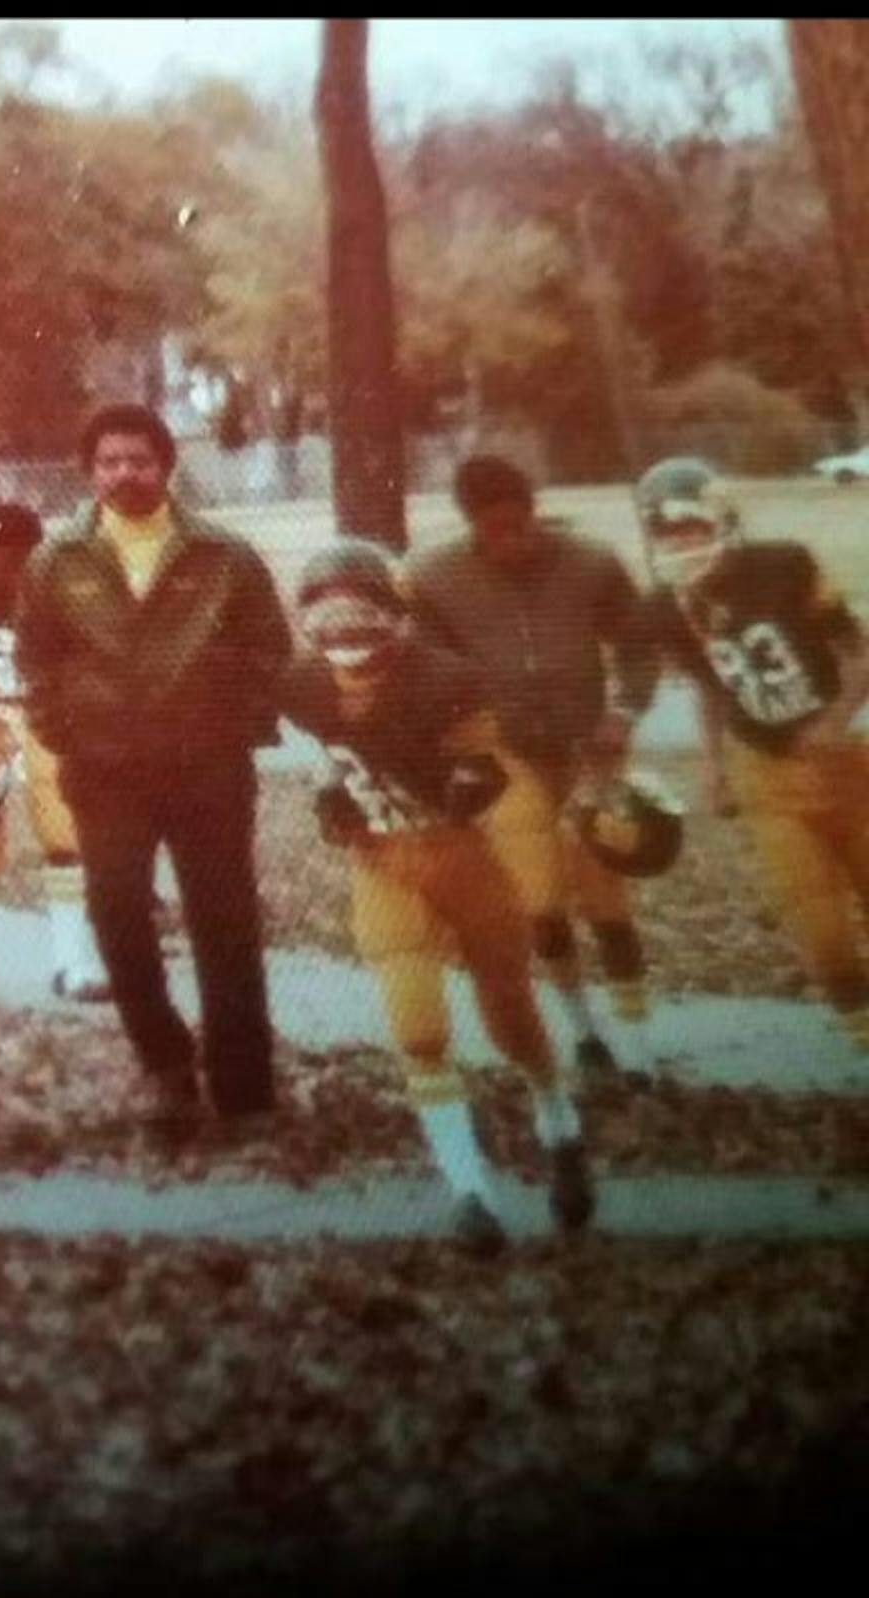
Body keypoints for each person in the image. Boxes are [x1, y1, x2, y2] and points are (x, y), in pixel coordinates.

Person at [283, 542, 595, 1254]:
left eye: (359, 614)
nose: (343, 634)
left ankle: (558, 1118)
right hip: (384, 862)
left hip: (462, 855)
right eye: (326, 618)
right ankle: (471, 1193)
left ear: (396, 615)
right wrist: (333, 793)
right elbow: (326, 752)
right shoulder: (301, 683)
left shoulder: (445, 679)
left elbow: (482, 770)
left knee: (510, 1012)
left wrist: (460, 783)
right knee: (418, 1028)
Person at [14, 403, 291, 1134]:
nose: (124, 474)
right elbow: (35, 660)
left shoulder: (223, 555)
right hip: (106, 774)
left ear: (165, 465)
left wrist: (235, 726)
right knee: (116, 913)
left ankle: (244, 1087)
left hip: (208, 773)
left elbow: (270, 651)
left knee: (224, 923)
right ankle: (166, 1065)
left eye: (138, 459)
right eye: (108, 461)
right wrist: (63, 731)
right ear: (89, 471)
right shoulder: (56, 559)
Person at [405, 456, 662, 1078]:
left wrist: (624, 712)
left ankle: (638, 1042)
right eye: (494, 531)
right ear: (470, 524)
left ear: (535, 510)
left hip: (586, 749)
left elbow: (636, 644)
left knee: (606, 898)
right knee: (540, 898)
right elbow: (427, 670)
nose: (511, 541)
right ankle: (584, 1030)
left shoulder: (591, 561)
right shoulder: (434, 576)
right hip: (508, 756)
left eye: (520, 525)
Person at [635, 457, 869, 1051]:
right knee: (821, 931)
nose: (681, 543)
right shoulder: (667, 607)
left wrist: (837, 720)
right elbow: (712, 689)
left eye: (691, 527)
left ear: (724, 520)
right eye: (667, 533)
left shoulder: (784, 563)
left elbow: (857, 652)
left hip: (844, 764)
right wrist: (714, 767)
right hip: (763, 769)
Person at [0, 501, 112, 1001]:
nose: (14, 572)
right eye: (3, 560)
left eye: (24, 560)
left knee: (65, 833)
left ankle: (72, 964)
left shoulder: (49, 591)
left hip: (39, 720)